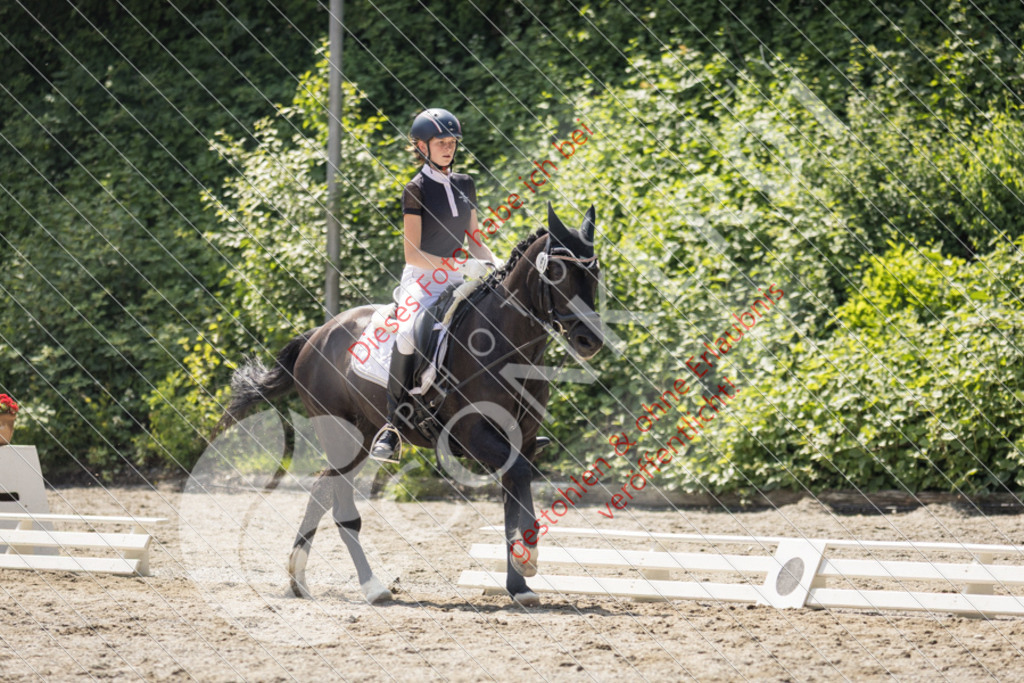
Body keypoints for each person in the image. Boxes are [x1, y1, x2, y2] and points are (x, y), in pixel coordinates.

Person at [369, 108, 497, 461]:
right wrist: (460, 264)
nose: (448, 147)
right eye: (441, 142)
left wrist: (494, 263)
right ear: (421, 146)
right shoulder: (416, 189)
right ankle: (392, 426)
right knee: (407, 332)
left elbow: (475, 240)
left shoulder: (465, 184)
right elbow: (413, 254)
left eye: (452, 141)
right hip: (423, 281)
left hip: (459, 278)